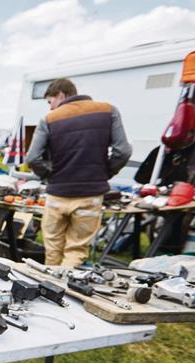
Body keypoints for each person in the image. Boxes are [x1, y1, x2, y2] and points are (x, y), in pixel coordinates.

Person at [26, 78, 132, 267]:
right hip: (90, 196)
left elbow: (33, 157)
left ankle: (51, 289)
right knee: (76, 250)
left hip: (57, 195)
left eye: (50, 102)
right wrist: (105, 173)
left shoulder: (50, 119)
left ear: (60, 95)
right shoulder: (108, 111)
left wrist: (49, 175)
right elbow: (123, 151)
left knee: (52, 250)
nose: (51, 108)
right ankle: (65, 291)